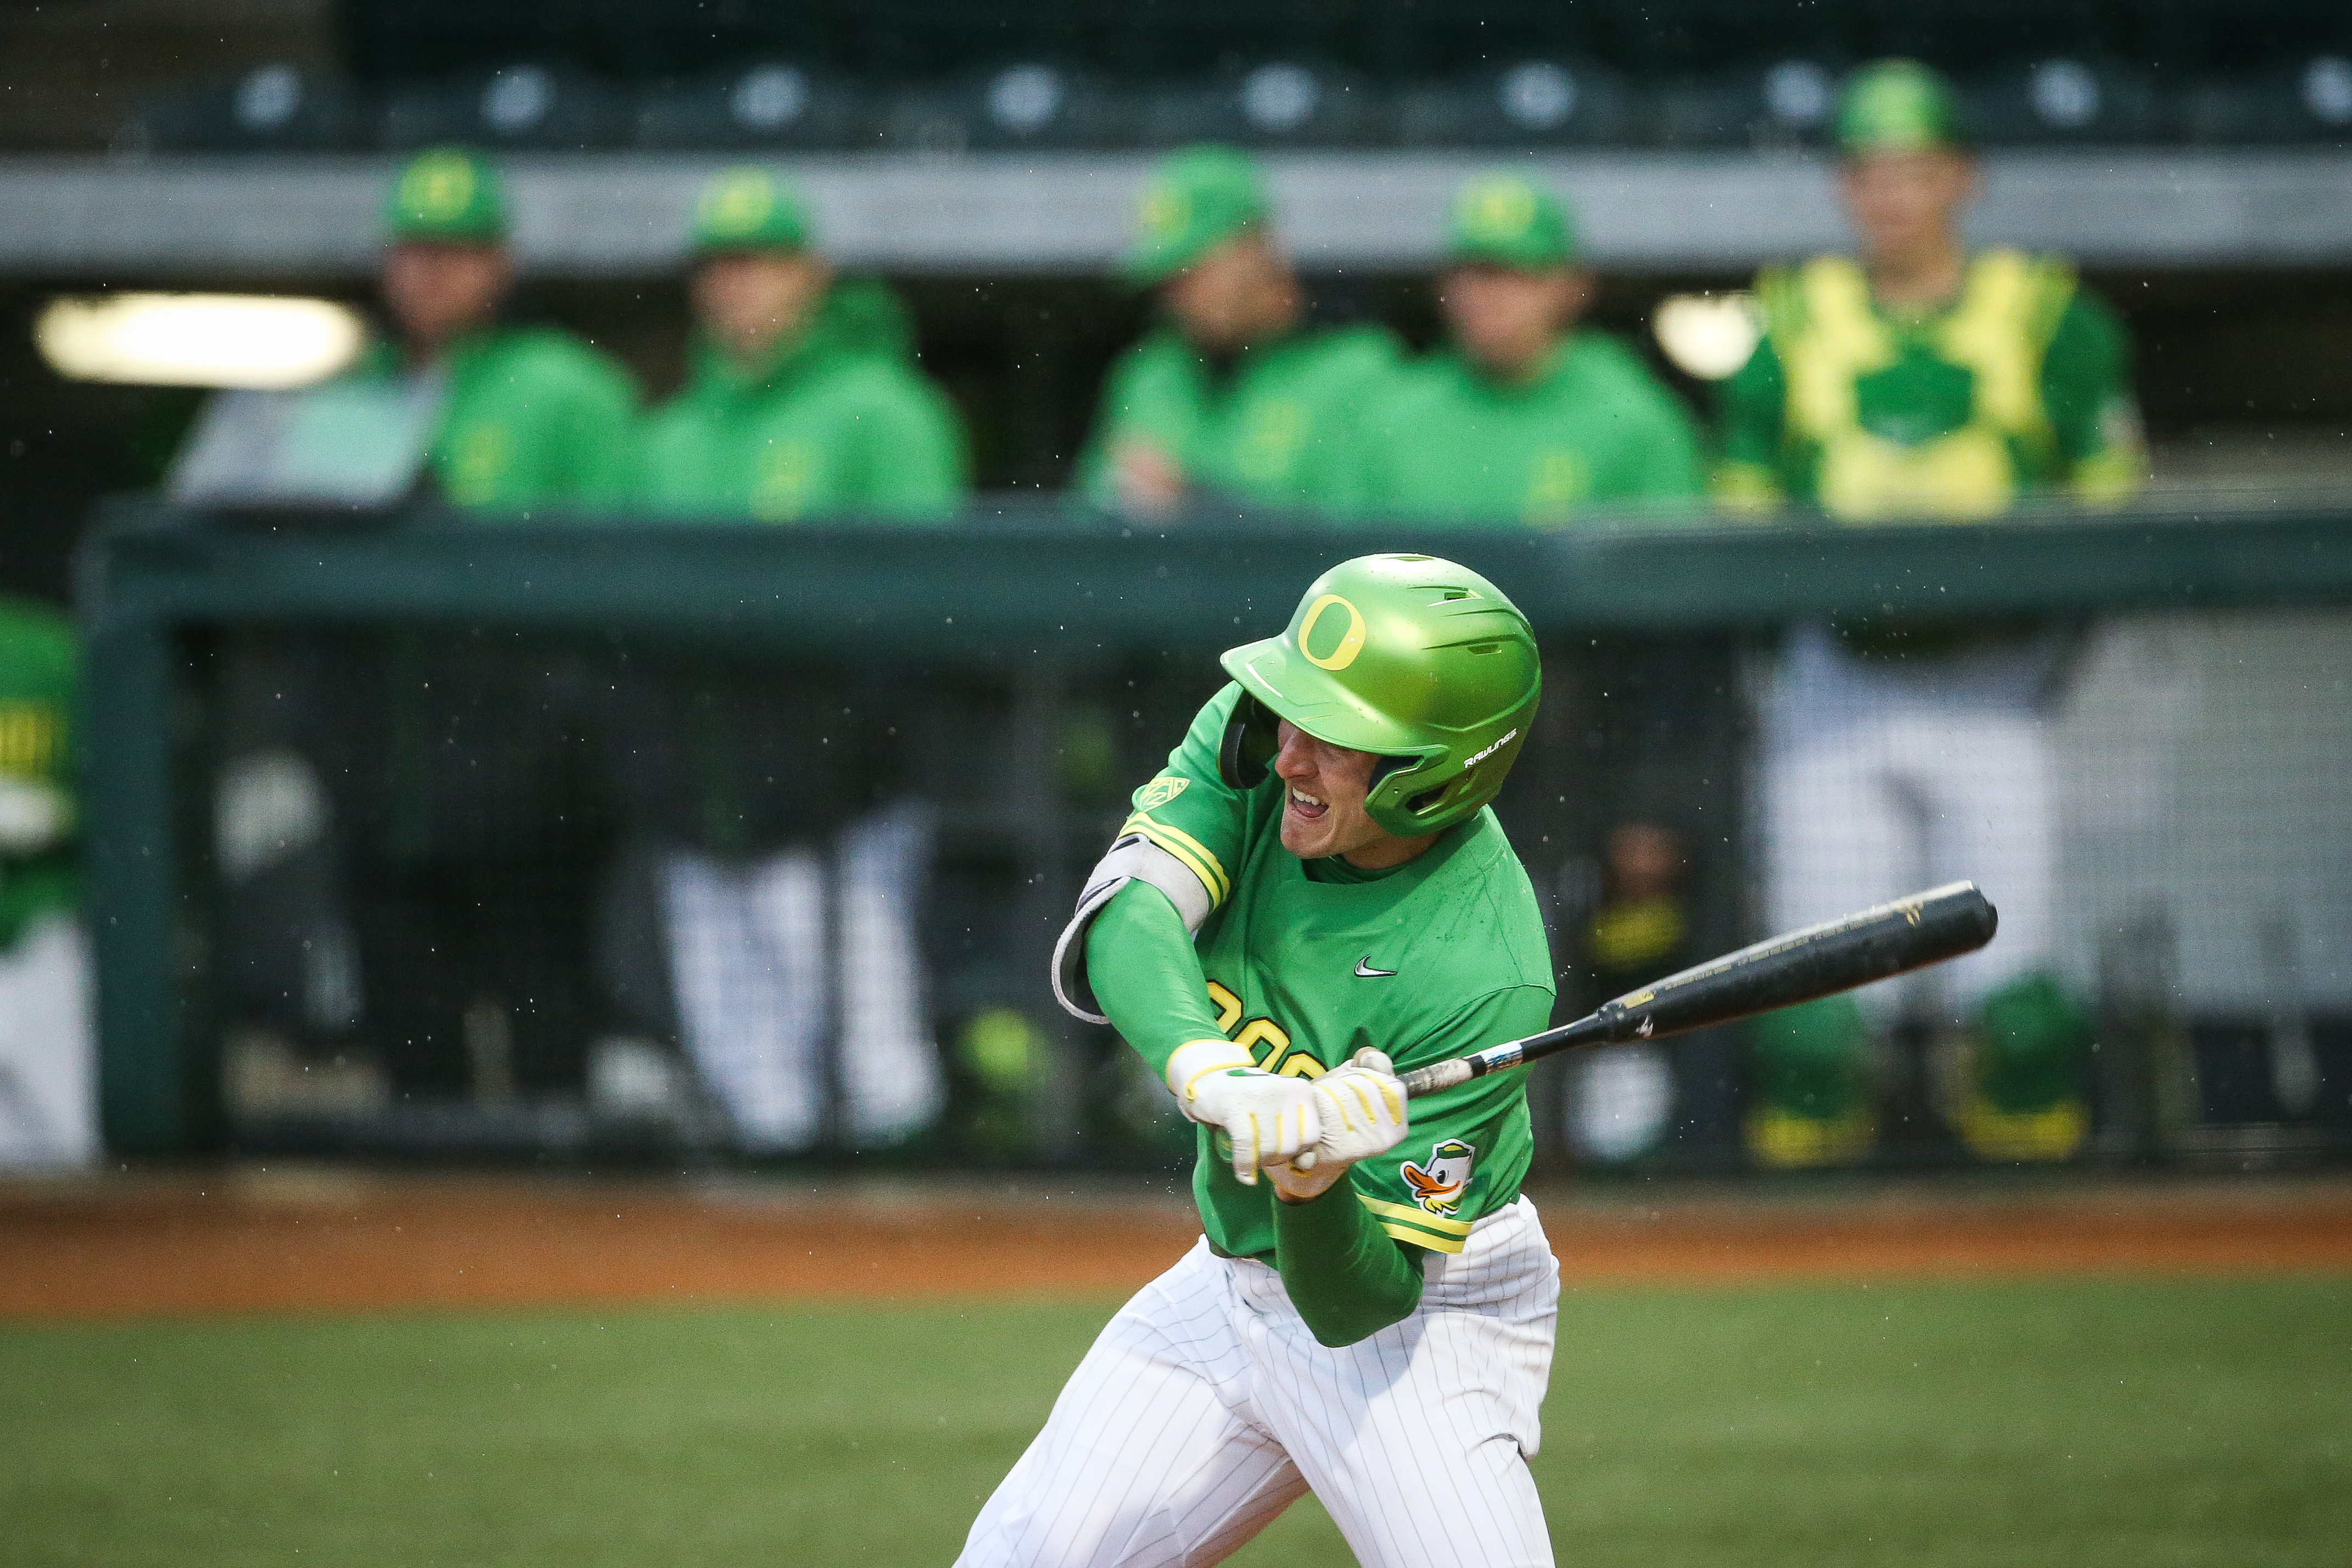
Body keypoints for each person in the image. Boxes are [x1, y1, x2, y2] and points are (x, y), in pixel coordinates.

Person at [959, 555, 1560, 1567]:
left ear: (1432, 773)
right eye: (1293, 717)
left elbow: (1355, 1302)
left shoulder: (1481, 976)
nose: (1291, 756)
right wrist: (1214, 1074)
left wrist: (1310, 1180)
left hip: (1418, 1326)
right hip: (1223, 1292)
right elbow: (1131, 919)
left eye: (1337, 741)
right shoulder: (1258, 739)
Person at [1715, 60, 2143, 1167]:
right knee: (1812, 1020)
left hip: (1996, 685)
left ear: (1962, 177)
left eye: (1913, 171)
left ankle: (2031, 1251)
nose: (1891, 196)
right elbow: (1737, 523)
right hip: (1837, 683)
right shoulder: (1794, 313)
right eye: (1868, 173)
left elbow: (2115, 519)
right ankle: (1810, 1262)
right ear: (1845, 189)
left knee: (2018, 1016)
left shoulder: (2049, 313)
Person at [1345, 173, 1705, 523]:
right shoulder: (1388, 418)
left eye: (1516, 275)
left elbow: (1669, 571)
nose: (1486, 297)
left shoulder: (1632, 416)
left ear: (1570, 287)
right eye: (1472, 275)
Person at [630, 166, 968, 520]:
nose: (731, 285)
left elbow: (919, 569)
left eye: (756, 263)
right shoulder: (669, 435)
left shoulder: (884, 412)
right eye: (713, 266)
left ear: (812, 273)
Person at [1076, 145, 1400, 516]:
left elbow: (1363, 539)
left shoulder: (1359, 368)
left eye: (1191, 271)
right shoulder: (1149, 373)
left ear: (1256, 248)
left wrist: (1197, 504)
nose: (1176, 297)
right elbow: (1089, 524)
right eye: (1165, 282)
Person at [365, 145, 638, 511]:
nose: (433, 272)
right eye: (417, 249)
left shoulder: (566, 385)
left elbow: (613, 547)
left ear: (501, 263)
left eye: (458, 250)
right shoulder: (352, 387)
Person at [0, 596, 93, 1168]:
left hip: (43, 935)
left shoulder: (48, 652)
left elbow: (128, 791)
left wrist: (53, 815)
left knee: (78, 1142)